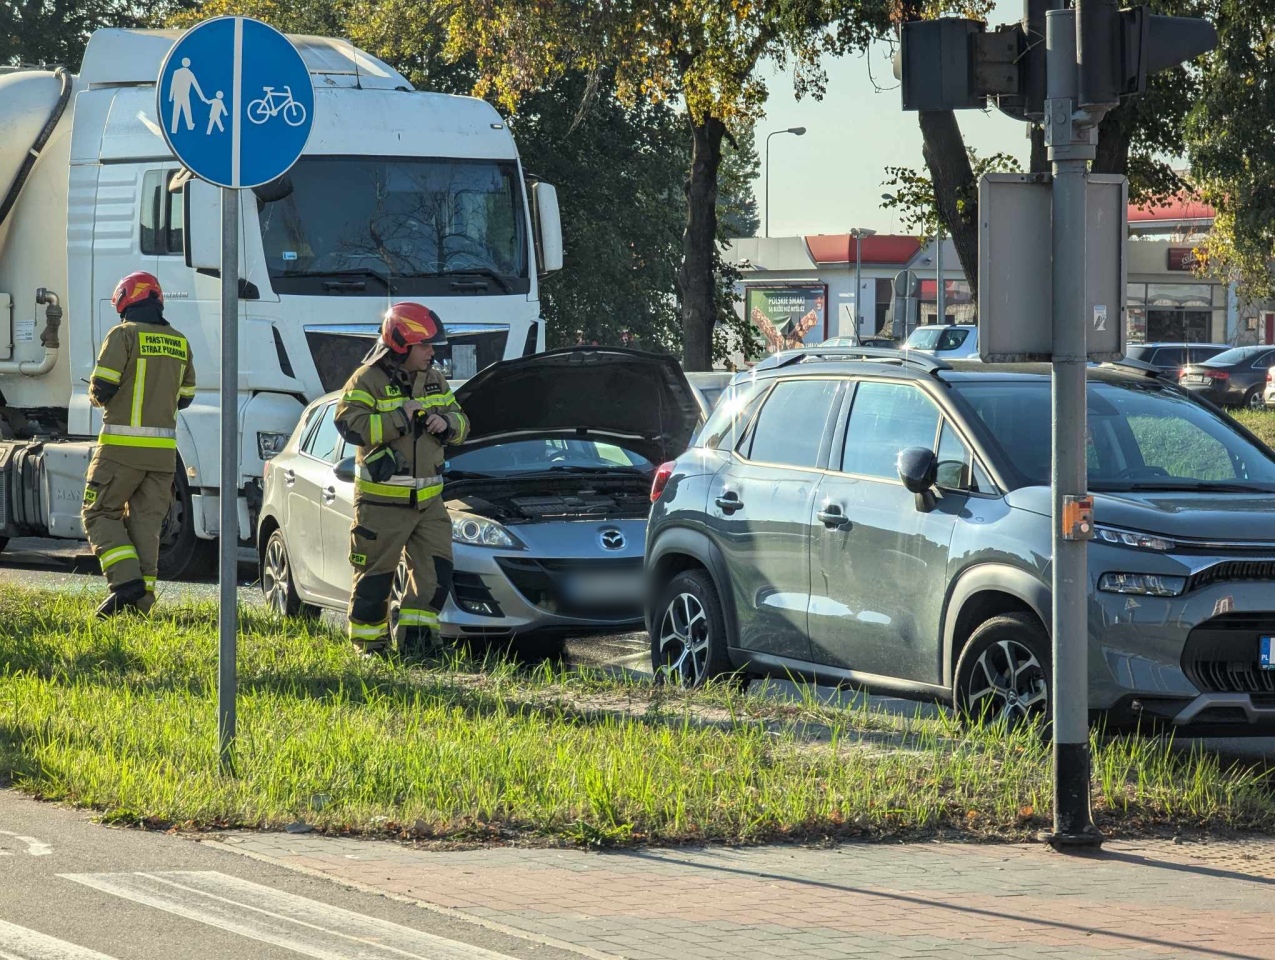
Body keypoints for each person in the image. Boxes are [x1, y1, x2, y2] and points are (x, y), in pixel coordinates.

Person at [334, 302, 469, 658]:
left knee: (436, 575)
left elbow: (463, 421)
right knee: (374, 581)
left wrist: (449, 425)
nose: (432, 351)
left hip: (429, 504)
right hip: (381, 505)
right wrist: (399, 416)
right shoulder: (366, 380)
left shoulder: (436, 380)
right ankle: (370, 647)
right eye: (425, 345)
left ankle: (419, 645)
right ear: (402, 345)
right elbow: (350, 425)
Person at [83, 271, 197, 618]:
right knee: (146, 526)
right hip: (163, 457)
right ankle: (140, 606)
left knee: (98, 511)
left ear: (125, 300)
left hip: (120, 450)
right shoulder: (179, 341)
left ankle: (124, 582)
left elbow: (102, 387)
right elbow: (186, 397)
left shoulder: (123, 335)